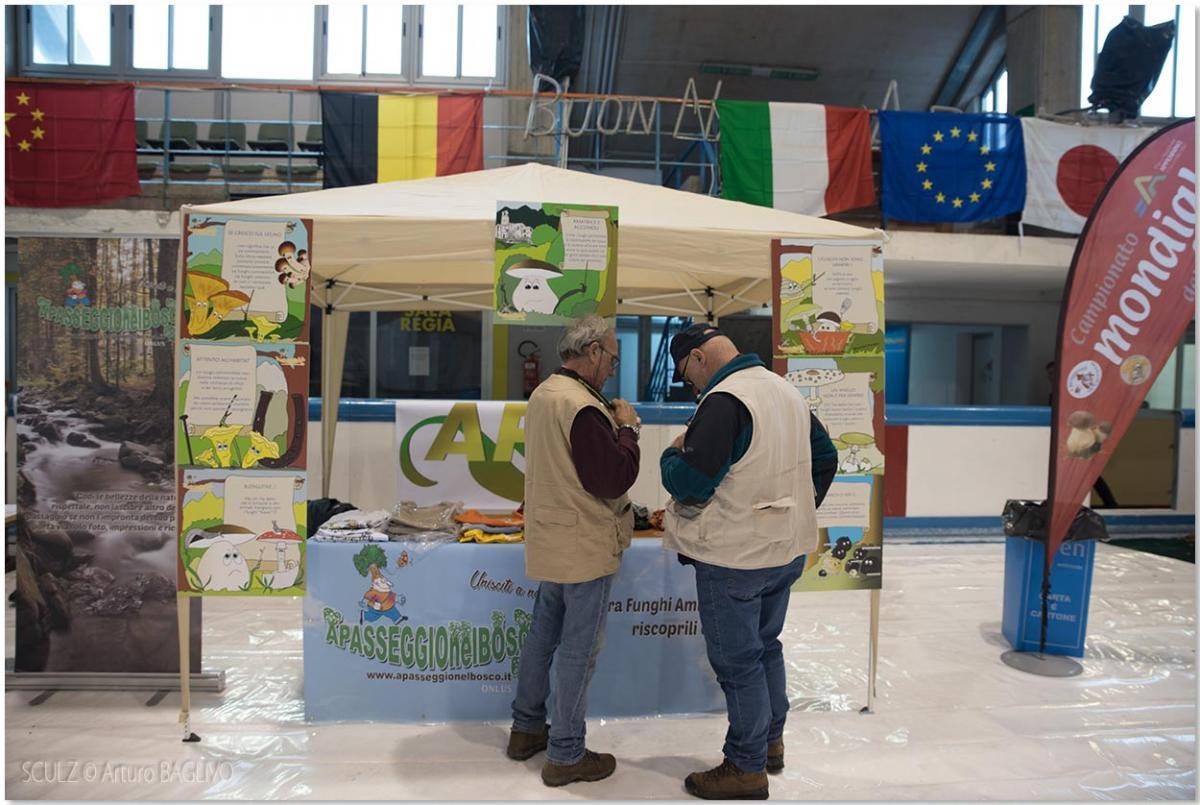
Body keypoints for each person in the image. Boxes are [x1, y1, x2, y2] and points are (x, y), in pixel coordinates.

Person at [660, 323, 837, 800]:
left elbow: (690, 483)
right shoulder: (786, 393)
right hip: (785, 551)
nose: (691, 386)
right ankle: (770, 742)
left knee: (738, 663)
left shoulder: (725, 401)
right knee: (766, 647)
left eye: (687, 374)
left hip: (734, 556)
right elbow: (826, 457)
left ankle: (745, 765)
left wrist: (669, 456)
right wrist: (794, 509)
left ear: (699, 358)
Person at [506, 315, 642, 787]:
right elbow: (611, 478)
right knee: (578, 651)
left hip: (551, 536)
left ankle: (526, 728)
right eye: (613, 358)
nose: (613, 369)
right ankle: (565, 753)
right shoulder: (582, 406)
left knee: (542, 638)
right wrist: (628, 430)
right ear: (593, 351)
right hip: (584, 541)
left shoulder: (544, 394)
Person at [1046, 361, 1119, 507]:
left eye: (1054, 373)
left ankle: (1110, 502)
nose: (1051, 377)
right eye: (1049, 374)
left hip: (1081, 437)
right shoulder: (1054, 395)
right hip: (1066, 438)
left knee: (1088, 472)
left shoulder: (1076, 392)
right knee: (1081, 472)